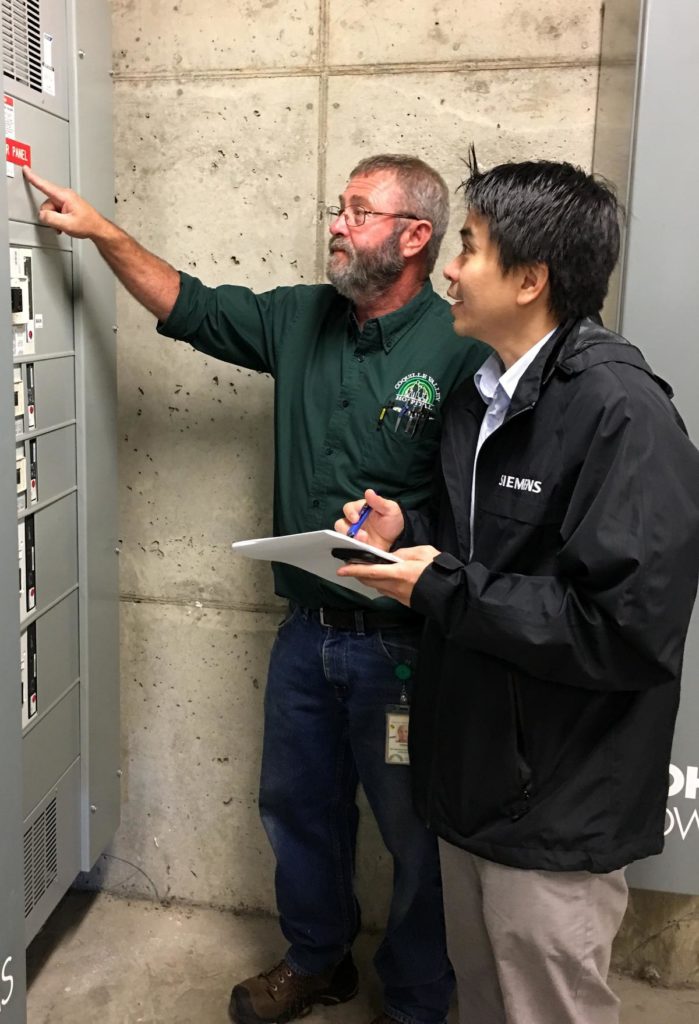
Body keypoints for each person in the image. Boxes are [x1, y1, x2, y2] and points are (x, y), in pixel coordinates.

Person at [23, 155, 488, 1024]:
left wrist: (412, 536)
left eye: (358, 211)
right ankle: (318, 961)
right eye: (337, 208)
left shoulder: (457, 341)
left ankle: (422, 1000)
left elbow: (488, 499)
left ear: (415, 236)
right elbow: (189, 303)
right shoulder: (300, 318)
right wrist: (99, 231)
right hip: (307, 634)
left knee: (415, 834)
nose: (337, 224)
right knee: (297, 808)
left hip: (405, 648)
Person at [335, 151, 699, 1024]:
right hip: (473, 780)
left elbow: (623, 629)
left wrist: (440, 586)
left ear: (530, 278)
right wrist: (410, 542)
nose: (450, 271)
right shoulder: (482, 396)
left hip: (556, 805)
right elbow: (494, 563)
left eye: (468, 247)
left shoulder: (620, 411)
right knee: (487, 1001)